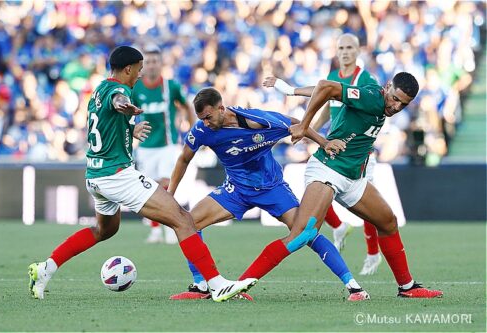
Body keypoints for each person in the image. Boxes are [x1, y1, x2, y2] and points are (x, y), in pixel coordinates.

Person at [27, 46, 257, 302]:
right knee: (182, 219)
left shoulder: (97, 91)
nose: (140, 74)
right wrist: (125, 107)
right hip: (118, 175)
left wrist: (129, 129)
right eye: (138, 68)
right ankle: (215, 284)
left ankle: (46, 268)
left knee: (104, 231)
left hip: (95, 175)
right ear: (128, 68)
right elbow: (118, 101)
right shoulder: (120, 90)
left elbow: (103, 123)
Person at [240, 72, 443, 298]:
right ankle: (239, 285)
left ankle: (407, 287)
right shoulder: (371, 98)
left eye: (403, 104)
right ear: (387, 87)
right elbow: (326, 86)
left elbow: (328, 90)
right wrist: (304, 125)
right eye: (395, 98)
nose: (396, 107)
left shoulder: (373, 96)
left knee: (388, 222)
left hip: (353, 179)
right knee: (302, 234)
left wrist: (291, 90)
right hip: (328, 169)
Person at [167, 87, 369, 302]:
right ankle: (201, 285)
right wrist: (171, 193)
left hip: (272, 188)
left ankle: (353, 287)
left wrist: (324, 142)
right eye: (201, 119)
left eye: (208, 117)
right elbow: (183, 159)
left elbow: (295, 123)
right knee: (188, 223)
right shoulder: (202, 131)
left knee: (305, 233)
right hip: (235, 189)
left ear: (221, 108)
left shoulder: (258, 121)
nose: (205, 123)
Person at [263, 33, 383, 275]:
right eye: (341, 48)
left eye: (350, 47)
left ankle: (372, 252)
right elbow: (327, 103)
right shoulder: (332, 76)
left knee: (368, 209)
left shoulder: (365, 79)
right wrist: (309, 131)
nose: (345, 52)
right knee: (317, 186)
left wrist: (291, 92)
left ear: (358, 50)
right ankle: (338, 227)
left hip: (358, 153)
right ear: (336, 51)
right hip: (335, 147)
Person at [131, 44, 195, 244]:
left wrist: (193, 131)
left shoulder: (171, 86)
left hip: (168, 146)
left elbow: (187, 106)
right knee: (150, 192)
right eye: (147, 62)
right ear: (143, 66)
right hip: (145, 148)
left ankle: (170, 228)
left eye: (155, 62)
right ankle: (155, 230)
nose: (151, 66)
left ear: (160, 64)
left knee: (167, 187)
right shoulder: (136, 88)